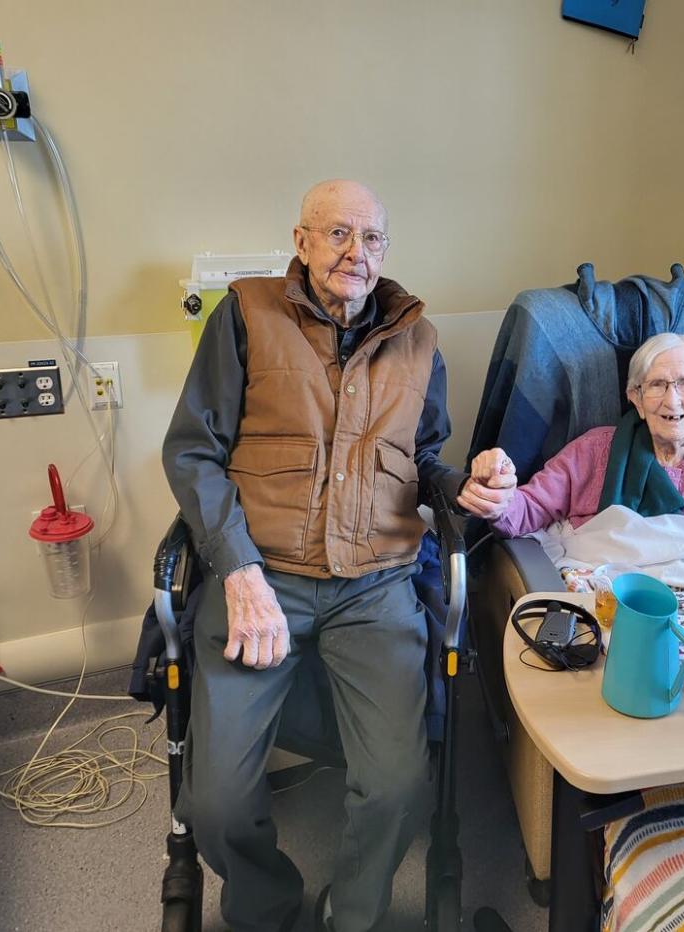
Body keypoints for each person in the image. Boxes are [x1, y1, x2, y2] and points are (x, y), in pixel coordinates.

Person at [161, 180, 505, 932]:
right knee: (215, 802)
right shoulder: (246, 314)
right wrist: (239, 569)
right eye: (339, 233)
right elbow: (192, 452)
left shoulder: (420, 341)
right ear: (303, 240)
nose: (357, 252)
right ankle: (268, 905)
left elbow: (422, 460)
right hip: (260, 577)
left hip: (375, 586)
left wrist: (466, 485)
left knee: (399, 785)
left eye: (373, 238)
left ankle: (351, 914)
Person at [465, 332, 684, 589]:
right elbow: (526, 510)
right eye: (656, 385)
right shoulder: (594, 449)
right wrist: (498, 493)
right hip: (616, 601)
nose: (673, 400)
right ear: (635, 399)